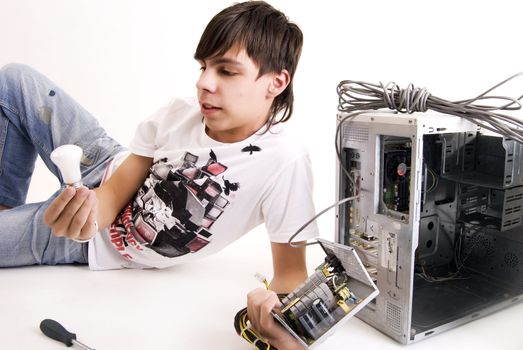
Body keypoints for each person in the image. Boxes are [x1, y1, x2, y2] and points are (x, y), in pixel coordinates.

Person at [0, 1, 317, 349]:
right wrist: (88, 210)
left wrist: (285, 331)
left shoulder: (284, 162)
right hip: (103, 166)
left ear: (276, 81)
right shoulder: (179, 112)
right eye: (204, 67)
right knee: (14, 80)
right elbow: (113, 192)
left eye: (226, 71)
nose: (204, 83)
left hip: (98, 242)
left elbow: (291, 274)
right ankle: (6, 209)